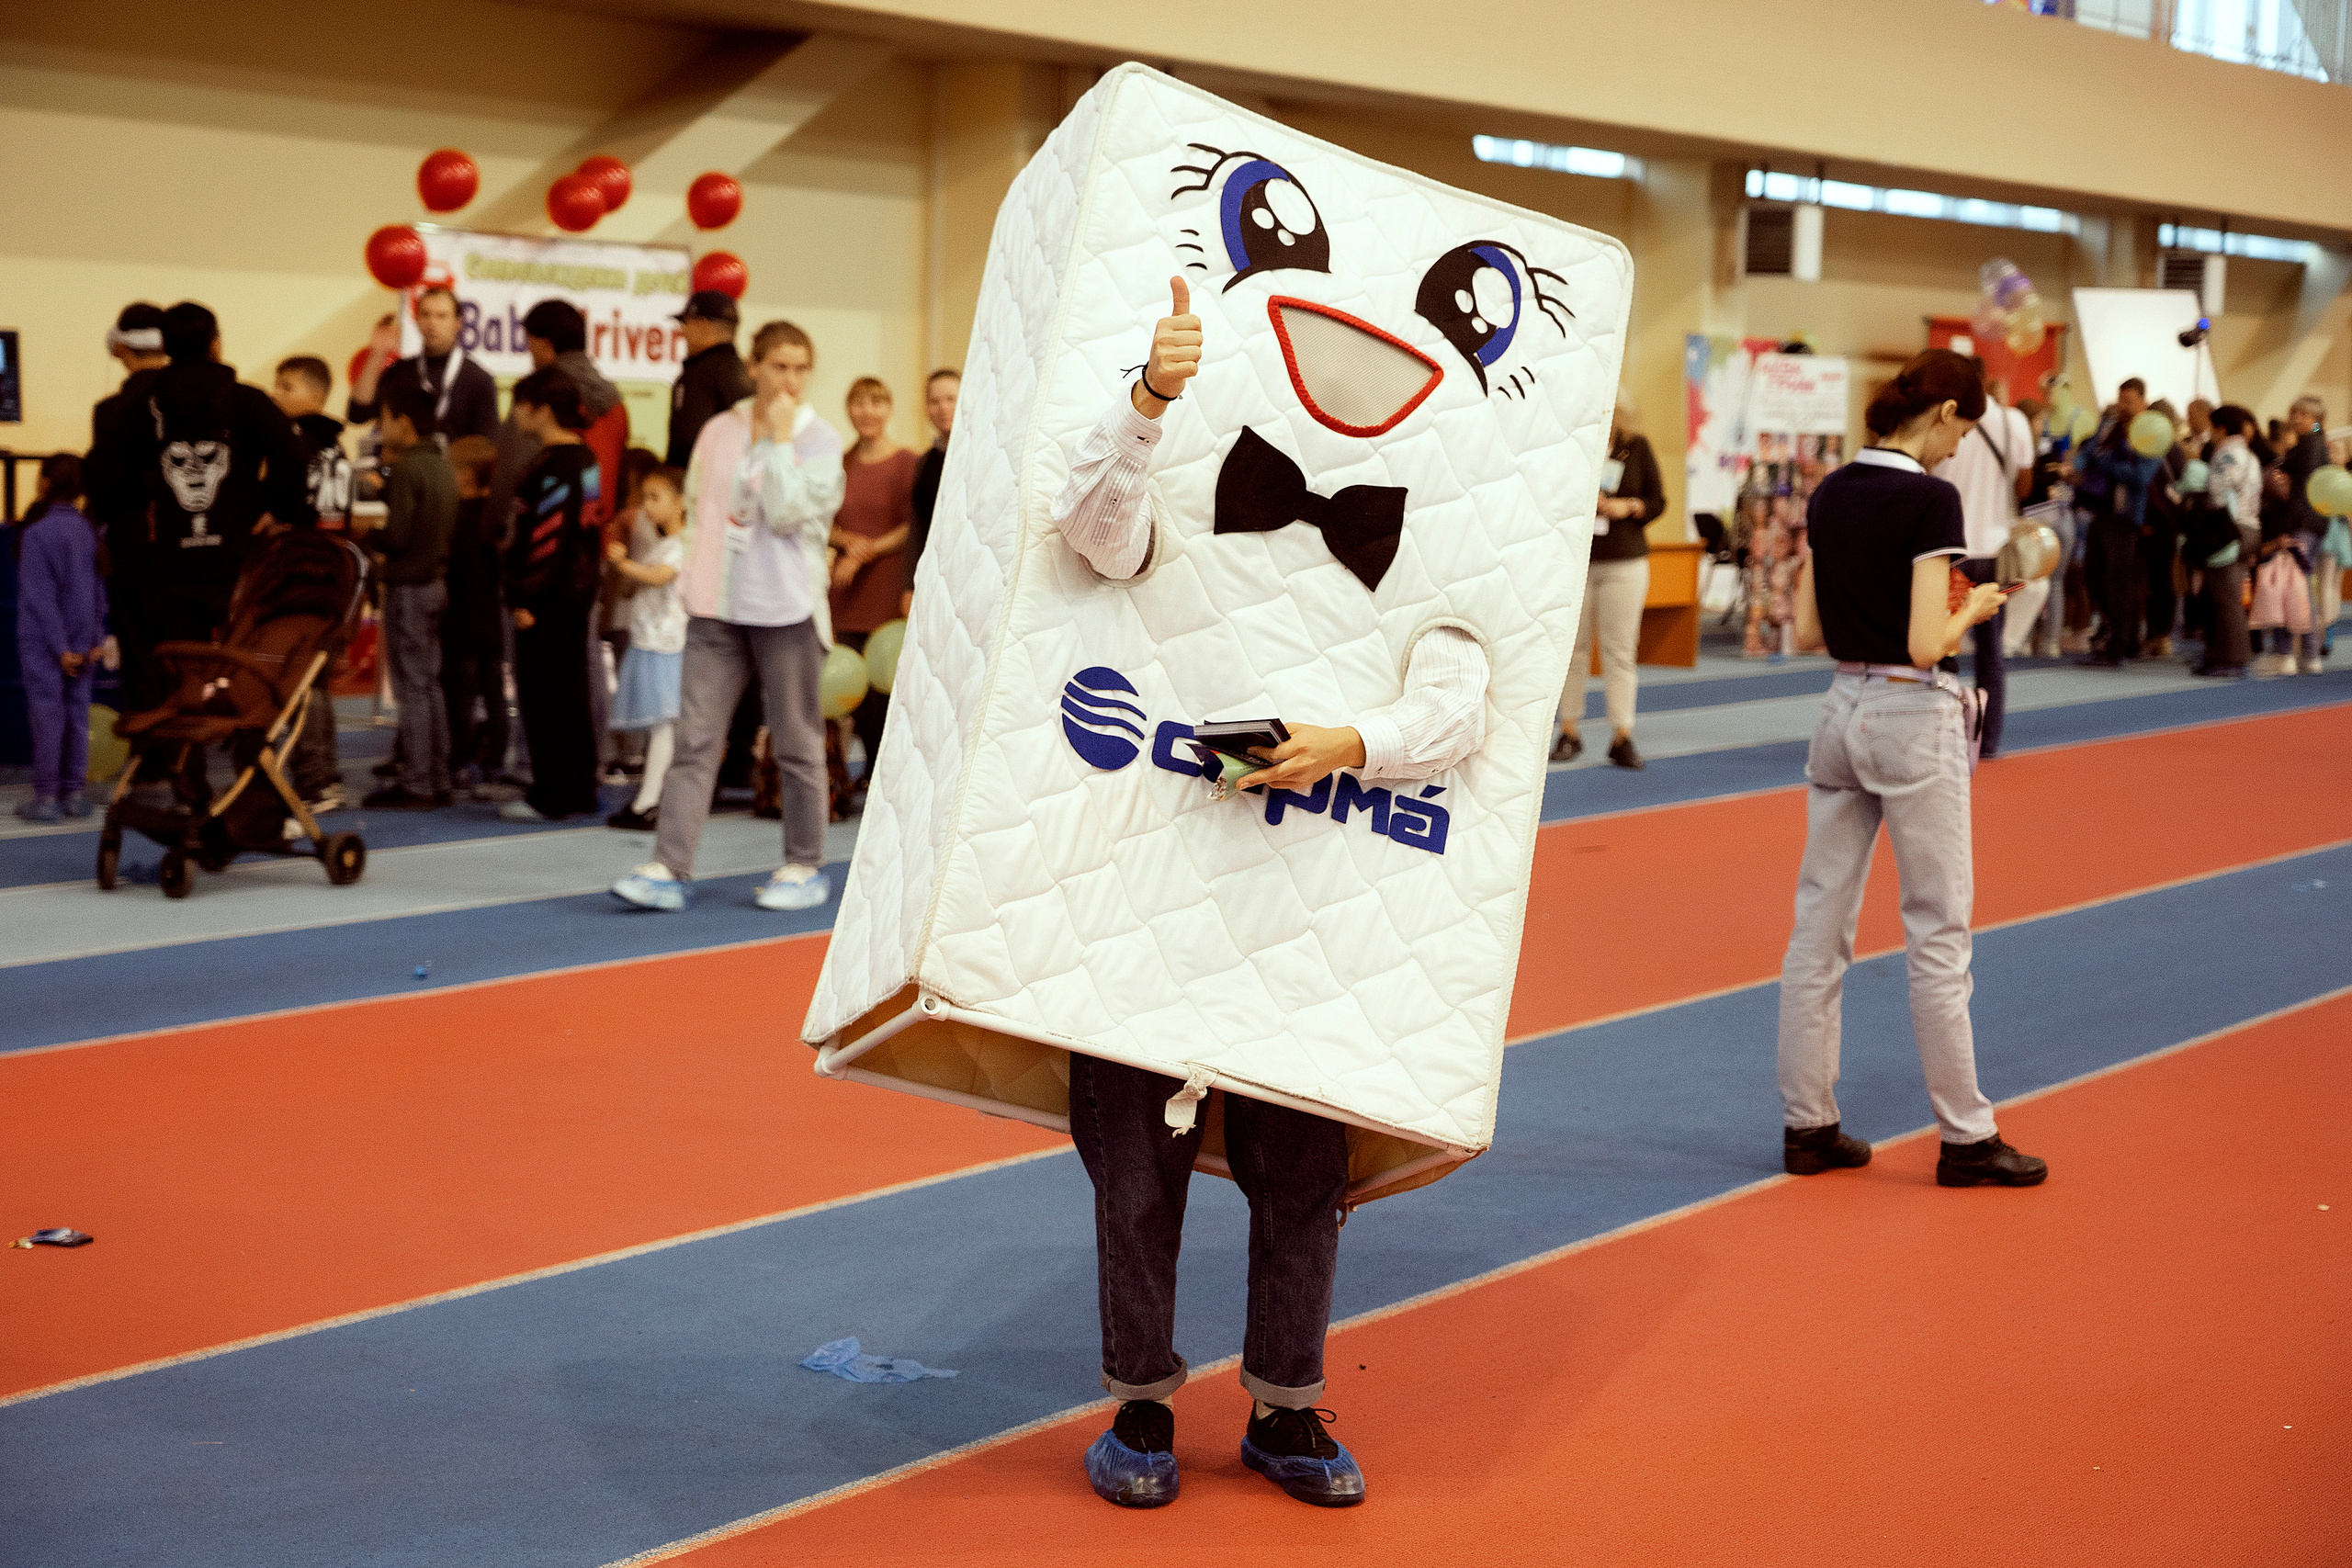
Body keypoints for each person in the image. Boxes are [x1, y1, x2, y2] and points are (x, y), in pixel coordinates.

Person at [1032, 280, 1493, 1511]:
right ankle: (1139, 1392)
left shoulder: (1433, 522)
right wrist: (1149, 399)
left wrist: (1351, 739)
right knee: (1132, 1162)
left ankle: (1286, 1405)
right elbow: (1092, 532)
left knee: (1303, 1169)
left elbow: (1464, 694)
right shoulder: (1180, 444)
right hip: (1152, 869)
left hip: (1316, 896)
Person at [1780, 348, 2047, 1191]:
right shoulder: (1931, 497)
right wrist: (1973, 605)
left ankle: (1807, 1124)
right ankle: (1967, 1136)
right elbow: (1929, 643)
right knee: (1938, 930)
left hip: (1840, 710)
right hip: (1910, 712)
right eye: (1964, 428)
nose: (1962, 446)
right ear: (1942, 415)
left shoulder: (1829, 491)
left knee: (1817, 932)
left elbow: (1811, 628)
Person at [609, 320, 843, 912]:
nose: (789, 379)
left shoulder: (819, 440)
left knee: (795, 741)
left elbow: (789, 513)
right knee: (694, 740)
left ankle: (803, 864)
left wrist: (782, 441)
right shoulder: (718, 430)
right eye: (778, 365)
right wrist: (692, 581)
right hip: (716, 609)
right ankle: (668, 866)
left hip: (787, 610)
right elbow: (694, 508)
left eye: (800, 367)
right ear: (755, 366)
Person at [97, 300, 312, 725]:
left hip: (171, 560)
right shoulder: (245, 401)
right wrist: (273, 508)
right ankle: (252, 764)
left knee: (183, 671)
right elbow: (293, 454)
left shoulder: (141, 406)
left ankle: (185, 772)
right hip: (237, 556)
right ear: (216, 345)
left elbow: (106, 474)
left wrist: (145, 506)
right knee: (249, 664)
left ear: (167, 347)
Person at [500, 369, 605, 822]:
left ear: (542, 409)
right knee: (569, 693)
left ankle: (553, 794)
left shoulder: (557, 465)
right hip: (573, 597)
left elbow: (548, 539)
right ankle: (577, 788)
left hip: (549, 600)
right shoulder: (583, 458)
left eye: (519, 404)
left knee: (547, 696)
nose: (514, 414)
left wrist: (525, 598)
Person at [361, 382, 458, 809]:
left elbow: (397, 536)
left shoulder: (407, 469)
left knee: (413, 688)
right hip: (435, 583)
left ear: (403, 422)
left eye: (385, 420)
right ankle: (437, 775)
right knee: (430, 685)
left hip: (409, 587)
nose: (382, 430)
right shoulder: (441, 464)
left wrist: (366, 535)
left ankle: (418, 781)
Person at [1554, 400, 1663, 768]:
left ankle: (1622, 735)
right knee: (1573, 652)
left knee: (1620, 652)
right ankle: (1569, 731)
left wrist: (1628, 507)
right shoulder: (1572, 444)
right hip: (1578, 563)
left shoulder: (1638, 447)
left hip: (1625, 563)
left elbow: (1658, 501)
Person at [272, 355, 355, 816]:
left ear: (315, 396)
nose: (276, 394)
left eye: (286, 386)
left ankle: (316, 779)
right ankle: (325, 777)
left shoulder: (295, 444)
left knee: (298, 678)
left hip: (301, 573)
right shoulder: (337, 449)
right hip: (332, 575)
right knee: (314, 678)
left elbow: (286, 509)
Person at [1933, 366, 2031, 756]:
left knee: (1939, 645)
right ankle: (1987, 740)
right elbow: (2024, 485)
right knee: (1991, 650)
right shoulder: (2014, 422)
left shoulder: (1941, 420)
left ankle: (1940, 734)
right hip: (1993, 549)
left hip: (1945, 551)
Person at [829, 376, 919, 798]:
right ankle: (853, 771)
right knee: (852, 688)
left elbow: (912, 526)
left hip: (887, 585)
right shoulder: (838, 462)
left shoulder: (907, 462)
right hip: (845, 587)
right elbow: (824, 519)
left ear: (889, 410)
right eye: (858, 403)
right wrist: (846, 542)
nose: (867, 412)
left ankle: (889, 774)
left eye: (876, 403)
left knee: (888, 689)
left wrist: (864, 552)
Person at [12, 457, 110, 822]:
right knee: (76, 715)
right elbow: (99, 589)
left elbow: (39, 597)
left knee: (46, 716)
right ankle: (74, 793)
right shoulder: (88, 530)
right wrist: (95, 638)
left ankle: (47, 797)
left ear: (45, 483)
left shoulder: (37, 534)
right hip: (85, 642)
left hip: (45, 645)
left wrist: (59, 649)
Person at [603, 467, 689, 829]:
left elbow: (661, 576)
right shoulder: (661, 545)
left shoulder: (685, 543)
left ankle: (651, 800)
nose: (647, 507)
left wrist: (623, 563)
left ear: (681, 502)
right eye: (644, 498)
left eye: (656, 498)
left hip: (667, 645)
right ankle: (651, 798)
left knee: (664, 726)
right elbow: (637, 585)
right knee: (662, 727)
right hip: (651, 640)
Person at [2074, 378, 2160, 665]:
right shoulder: (2109, 425)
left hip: (2125, 517)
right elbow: (2088, 454)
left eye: (2129, 401)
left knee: (2118, 581)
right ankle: (2118, 633)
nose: (2123, 406)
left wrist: (2106, 461)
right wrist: (2073, 467)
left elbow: (2141, 477)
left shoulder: (2150, 432)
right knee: (2093, 576)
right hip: (2100, 510)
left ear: (2143, 402)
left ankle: (2120, 645)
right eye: (2121, 399)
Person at [439, 435, 508, 791]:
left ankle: (460, 761)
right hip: (491, 623)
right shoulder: (493, 521)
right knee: (494, 694)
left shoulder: (455, 521)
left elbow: (450, 572)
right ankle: (495, 762)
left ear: (464, 476)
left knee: (461, 697)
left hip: (461, 621)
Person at [345, 287, 500, 444]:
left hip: (454, 467)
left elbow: (486, 446)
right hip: (404, 466)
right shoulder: (401, 371)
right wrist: (377, 354)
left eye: (442, 316)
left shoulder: (479, 379)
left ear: (457, 323)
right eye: (426, 314)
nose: (432, 323)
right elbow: (357, 414)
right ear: (417, 319)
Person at [2191, 404, 2261, 678]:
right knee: (2229, 595)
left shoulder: (2226, 454)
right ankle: (2224, 655)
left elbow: (2219, 493)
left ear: (2220, 429)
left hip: (2230, 529)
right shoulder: (2249, 455)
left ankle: (2232, 658)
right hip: (2249, 527)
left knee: (2226, 597)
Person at [666, 292, 753, 467]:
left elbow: (687, 440)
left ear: (702, 324)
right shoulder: (747, 372)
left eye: (685, 323)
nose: (682, 332)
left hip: (700, 482)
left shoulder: (698, 375)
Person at [903, 367, 958, 617]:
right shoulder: (924, 461)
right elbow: (918, 527)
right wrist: (909, 586)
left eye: (951, 399)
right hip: (931, 580)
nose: (942, 408)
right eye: (934, 401)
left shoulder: (982, 458)